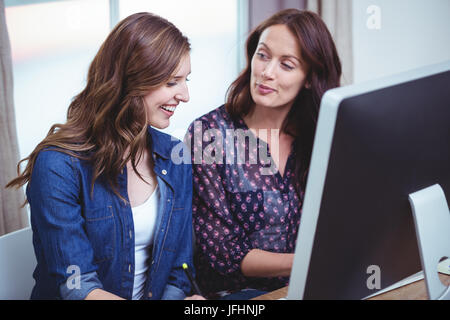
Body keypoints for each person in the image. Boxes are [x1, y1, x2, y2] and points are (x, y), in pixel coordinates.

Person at [6, 12, 201, 300]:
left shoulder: (175, 156)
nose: (185, 95)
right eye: (172, 82)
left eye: (186, 80)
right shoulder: (58, 165)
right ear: (130, 82)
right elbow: (77, 286)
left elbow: (179, 271)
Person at [186, 9, 342, 299]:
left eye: (286, 64)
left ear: (309, 79)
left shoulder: (320, 135)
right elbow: (222, 251)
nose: (267, 72)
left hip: (311, 289)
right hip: (238, 296)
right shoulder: (207, 134)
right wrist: (308, 263)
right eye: (263, 55)